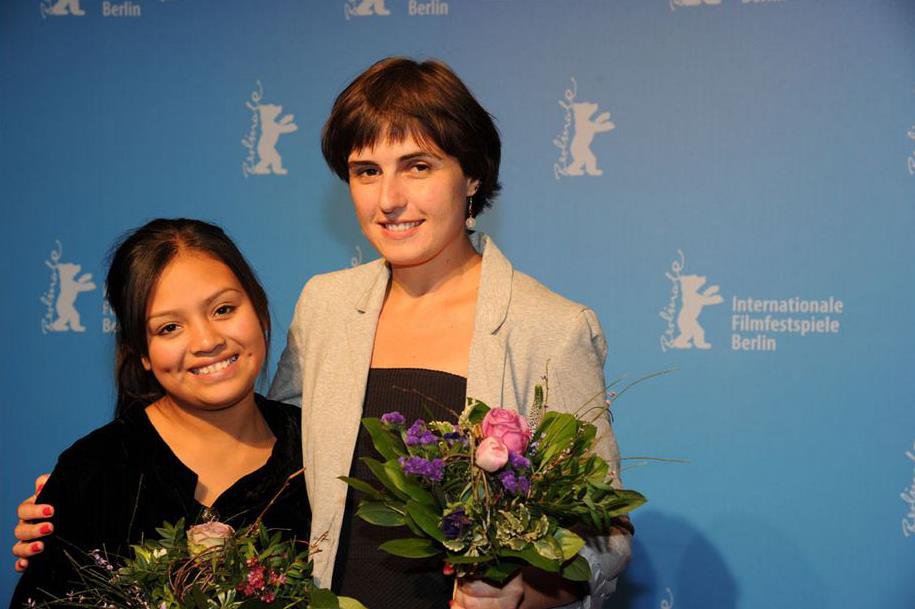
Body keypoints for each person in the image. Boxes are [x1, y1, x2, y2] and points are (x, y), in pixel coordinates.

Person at [14, 58, 632, 609]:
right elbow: (276, 455)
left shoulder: (549, 326)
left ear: (471, 177)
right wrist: (88, 500)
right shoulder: (327, 305)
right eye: (366, 171)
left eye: (417, 166)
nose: (389, 198)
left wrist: (527, 588)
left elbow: (605, 532)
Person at [9, 219, 310, 608]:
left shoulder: (320, 454)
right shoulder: (95, 471)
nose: (207, 341)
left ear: (260, 311)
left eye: (223, 309)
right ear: (142, 353)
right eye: (169, 328)